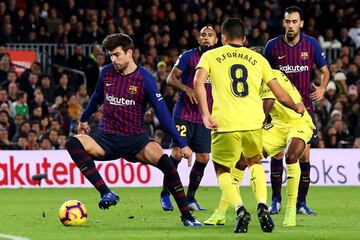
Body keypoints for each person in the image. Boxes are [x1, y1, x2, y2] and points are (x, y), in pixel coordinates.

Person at [65, 33, 201, 227]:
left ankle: (187, 217)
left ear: (129, 53)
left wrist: (182, 144)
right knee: (73, 143)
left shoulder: (144, 79)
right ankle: (106, 192)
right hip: (106, 139)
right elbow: (96, 97)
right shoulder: (106, 72)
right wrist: (84, 118)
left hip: (136, 141)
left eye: (117, 55)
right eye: (111, 55)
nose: (113, 59)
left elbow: (162, 113)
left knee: (167, 163)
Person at [194, 18, 304, 233]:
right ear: (243, 39)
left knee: (223, 168)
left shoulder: (210, 55)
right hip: (254, 122)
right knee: (254, 162)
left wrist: (205, 114)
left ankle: (240, 209)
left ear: (222, 38)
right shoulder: (258, 58)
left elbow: (198, 82)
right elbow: (279, 92)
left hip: (224, 122)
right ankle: (262, 205)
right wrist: (296, 106)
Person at [204, 69, 315, 227]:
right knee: (242, 161)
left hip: (299, 122)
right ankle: (221, 212)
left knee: (291, 157)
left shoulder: (270, 75)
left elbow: (266, 107)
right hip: (277, 126)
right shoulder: (250, 81)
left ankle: (291, 209)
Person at [264, 5, 330, 215]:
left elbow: (325, 71)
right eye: (287, 21)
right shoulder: (272, 47)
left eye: (294, 21)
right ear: (283, 23)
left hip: (304, 110)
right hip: (279, 110)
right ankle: (275, 200)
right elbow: (264, 77)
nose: (291, 25)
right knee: (277, 154)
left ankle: (301, 203)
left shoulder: (310, 44)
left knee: (304, 156)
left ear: (301, 23)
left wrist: (322, 87)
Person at [160, 26, 218, 212]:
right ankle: (165, 194)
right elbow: (170, 79)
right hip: (184, 114)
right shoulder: (188, 56)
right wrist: (187, 88)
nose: (206, 38)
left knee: (203, 157)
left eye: (210, 35)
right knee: (177, 153)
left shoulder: (220, 59)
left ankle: (191, 198)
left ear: (216, 40)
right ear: (198, 39)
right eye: (203, 35)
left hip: (204, 116)